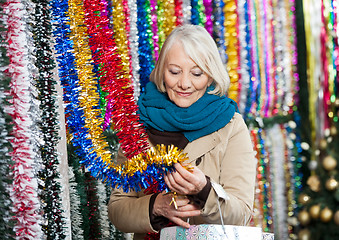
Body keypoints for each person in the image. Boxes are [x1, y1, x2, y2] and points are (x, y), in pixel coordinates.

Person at [107, 24, 257, 240]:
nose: (184, 83)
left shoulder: (231, 125)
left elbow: (241, 213)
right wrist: (154, 207)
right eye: (174, 72)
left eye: (197, 73)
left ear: (211, 75)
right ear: (161, 71)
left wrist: (204, 190)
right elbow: (117, 209)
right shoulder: (139, 122)